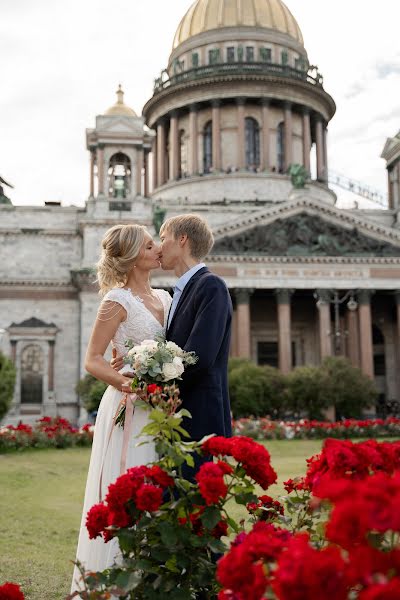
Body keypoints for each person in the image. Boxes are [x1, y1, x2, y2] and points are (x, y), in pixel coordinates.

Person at [70, 224, 172, 594]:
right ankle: (118, 580)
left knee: (159, 485)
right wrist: (131, 386)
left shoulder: (165, 296)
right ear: (132, 257)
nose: (158, 248)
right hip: (129, 403)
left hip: (163, 405)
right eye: (149, 245)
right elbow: (94, 360)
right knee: (129, 480)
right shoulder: (117, 300)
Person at [112, 214, 233, 475]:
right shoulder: (176, 293)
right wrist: (135, 358)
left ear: (182, 240)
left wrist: (148, 385)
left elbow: (198, 359)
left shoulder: (210, 286)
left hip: (197, 421)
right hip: (177, 418)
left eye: (163, 239)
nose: (159, 246)